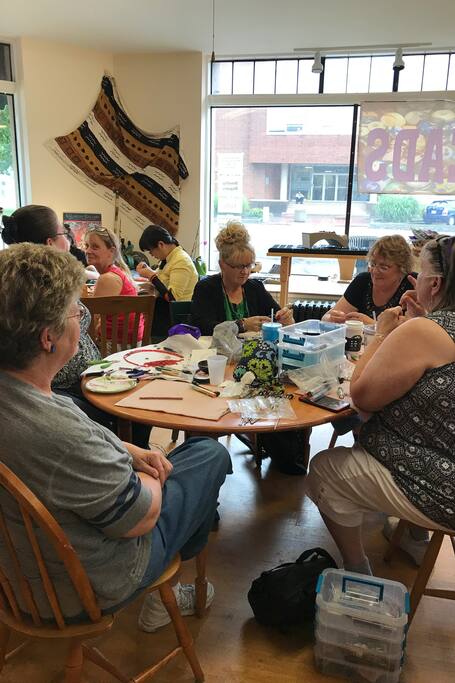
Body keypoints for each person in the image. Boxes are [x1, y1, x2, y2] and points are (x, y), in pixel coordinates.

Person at [0, 243, 231, 628]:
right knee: (209, 455)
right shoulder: (60, 433)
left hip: (15, 576)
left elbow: (65, 447)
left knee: (186, 460)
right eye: (76, 311)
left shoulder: (21, 395)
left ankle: (173, 582)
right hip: (81, 589)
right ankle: (166, 595)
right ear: (48, 337)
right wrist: (151, 470)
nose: (81, 320)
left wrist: (128, 450)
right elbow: (140, 518)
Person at [305, 235, 455, 574]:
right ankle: (413, 537)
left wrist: (385, 332)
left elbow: (361, 395)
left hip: (445, 486)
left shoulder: (427, 331)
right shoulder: (433, 327)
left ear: (435, 283)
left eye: (421, 274)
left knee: (325, 472)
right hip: (444, 457)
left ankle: (358, 570)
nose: (415, 282)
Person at [1, 206, 149, 448]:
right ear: (51, 242)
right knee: (136, 409)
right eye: (65, 234)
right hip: (65, 387)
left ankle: (138, 453)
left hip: (84, 378)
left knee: (138, 401)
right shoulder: (40, 289)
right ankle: (134, 457)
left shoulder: (30, 280)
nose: (70, 242)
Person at [191, 221, 294, 335]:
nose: (245, 271)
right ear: (222, 264)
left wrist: (285, 319)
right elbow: (202, 327)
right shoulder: (206, 288)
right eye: (239, 266)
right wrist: (242, 325)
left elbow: (276, 316)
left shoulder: (256, 288)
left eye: (248, 265)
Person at [323, 234, 416, 325]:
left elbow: (415, 331)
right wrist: (333, 318)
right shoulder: (363, 281)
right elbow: (325, 318)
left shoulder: (413, 285)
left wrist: (372, 325)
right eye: (373, 264)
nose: (374, 271)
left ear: (402, 269)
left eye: (383, 267)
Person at [136, 225, 198, 339]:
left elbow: (172, 297)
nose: (151, 255)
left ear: (161, 244)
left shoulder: (181, 261)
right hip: (165, 312)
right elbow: (161, 280)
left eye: (151, 251)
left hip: (176, 317)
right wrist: (148, 274)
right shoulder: (167, 259)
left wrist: (151, 276)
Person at [85, 226, 144, 344]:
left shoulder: (107, 279)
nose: (87, 251)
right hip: (127, 342)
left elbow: (91, 323)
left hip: (119, 347)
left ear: (111, 252)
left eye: (95, 247)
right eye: (87, 246)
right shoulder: (117, 271)